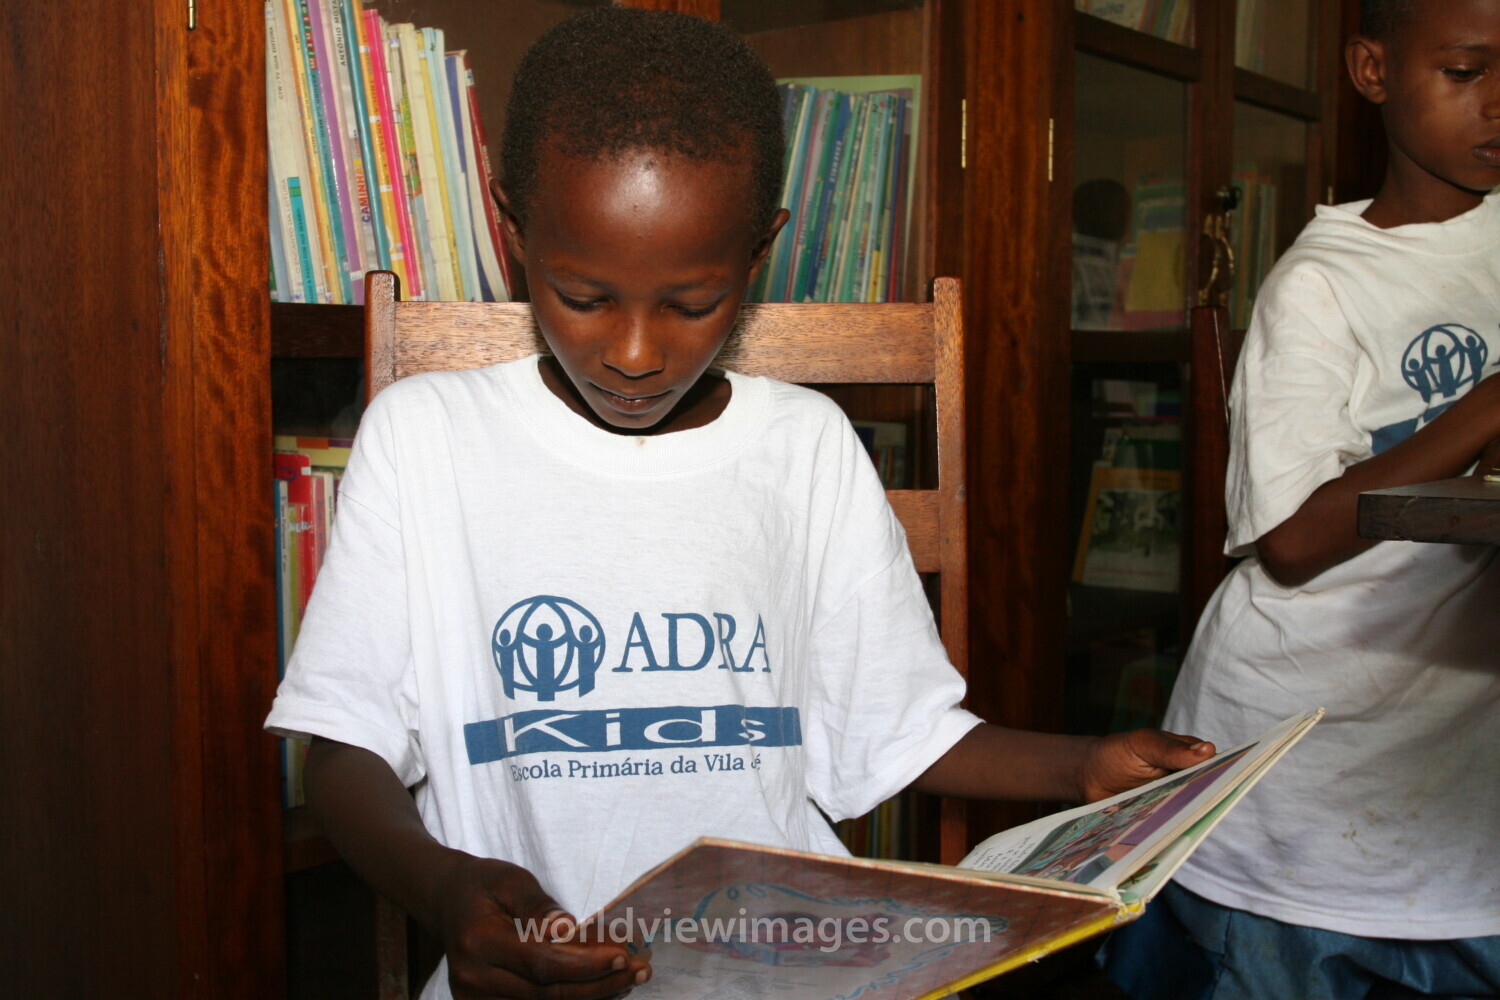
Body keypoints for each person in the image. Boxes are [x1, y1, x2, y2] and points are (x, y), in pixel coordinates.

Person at [265, 9, 1215, 1000]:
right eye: (583, 296)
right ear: (513, 230)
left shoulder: (804, 446)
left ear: (759, 252)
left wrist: (1086, 768)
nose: (634, 352)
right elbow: (344, 749)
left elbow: (902, 732)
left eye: (690, 302)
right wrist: (449, 884)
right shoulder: (428, 439)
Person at [1103, 1, 1500, 997]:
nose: (1499, 102)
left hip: (1453, 776)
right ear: (1372, 69)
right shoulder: (1322, 285)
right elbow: (1288, 537)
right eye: (1465, 70)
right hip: (1310, 776)